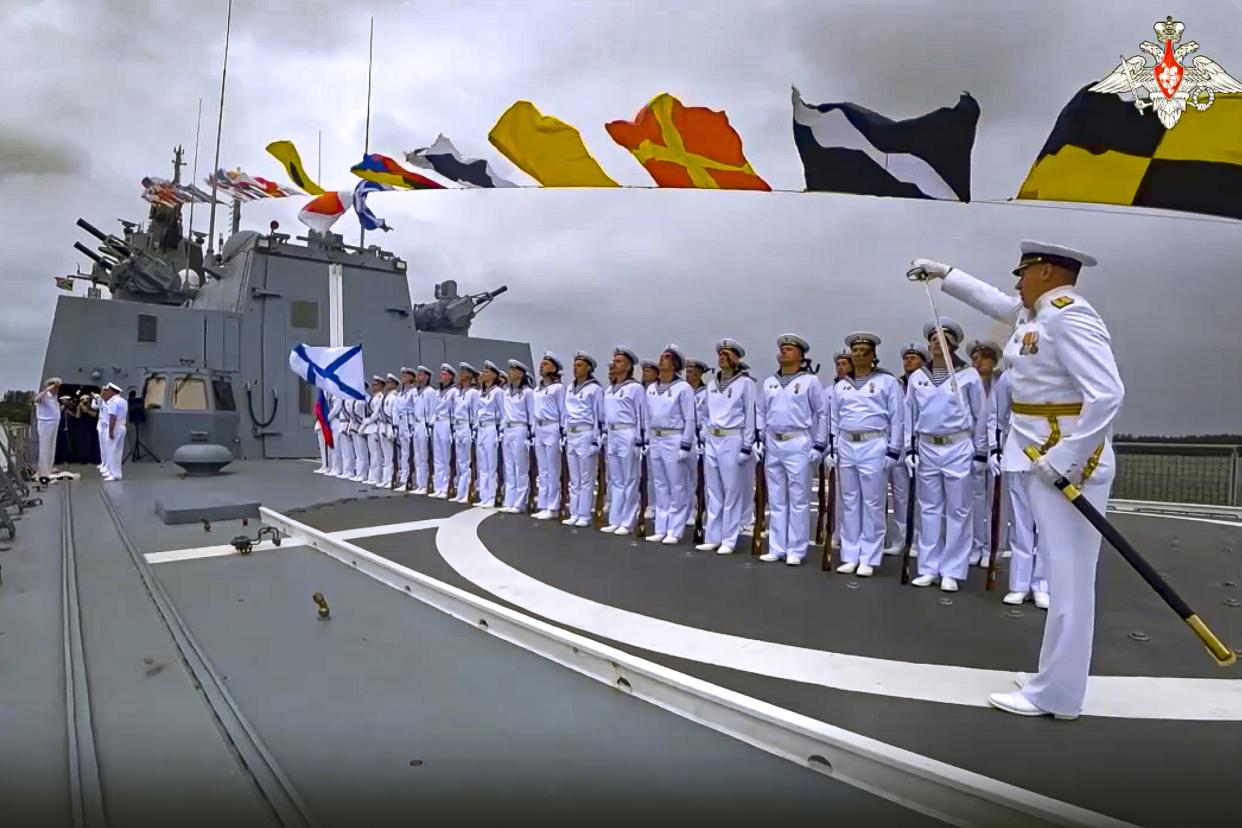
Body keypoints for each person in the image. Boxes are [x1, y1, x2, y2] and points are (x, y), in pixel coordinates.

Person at [911, 240, 1124, 720]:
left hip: (1065, 463)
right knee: (1062, 571)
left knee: (1069, 580)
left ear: (1046, 272)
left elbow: (1107, 394)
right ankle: (1054, 679)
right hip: (1037, 455)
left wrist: (1068, 458)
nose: (1016, 282)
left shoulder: (1069, 315)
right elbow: (995, 300)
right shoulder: (1037, 314)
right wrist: (945, 273)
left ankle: (1058, 695)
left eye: (1022, 272)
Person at [906, 319, 988, 592]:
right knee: (929, 509)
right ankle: (928, 567)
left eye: (942, 340)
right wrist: (910, 448)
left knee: (958, 509)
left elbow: (981, 415)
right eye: (932, 340)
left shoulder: (967, 375)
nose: (936, 345)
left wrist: (980, 452)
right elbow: (910, 415)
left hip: (958, 445)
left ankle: (952, 569)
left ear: (953, 345)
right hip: (928, 445)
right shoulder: (918, 377)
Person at [831, 332, 904, 576]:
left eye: (864, 351)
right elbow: (834, 419)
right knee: (850, 502)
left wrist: (894, 450)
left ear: (873, 355)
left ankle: (869, 557)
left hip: (873, 444)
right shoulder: (841, 386)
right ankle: (850, 554)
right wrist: (833, 448)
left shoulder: (886, 382)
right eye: (855, 350)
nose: (859, 354)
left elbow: (897, 417)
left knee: (872, 502)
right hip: (847, 443)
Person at [755, 334, 828, 565]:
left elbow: (822, 412)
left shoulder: (810, 381)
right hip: (773, 441)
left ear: (800, 355)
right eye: (782, 348)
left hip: (798, 440)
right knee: (776, 498)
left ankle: (796, 549)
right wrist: (759, 438)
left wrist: (819, 443)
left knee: (798, 497)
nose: (784, 351)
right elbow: (761, 412)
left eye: (789, 349)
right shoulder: (769, 382)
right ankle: (777, 547)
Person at [697, 339, 756, 555]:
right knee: (714, 491)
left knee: (732, 491)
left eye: (727, 354)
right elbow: (704, 413)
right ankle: (713, 536)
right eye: (720, 354)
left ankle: (729, 539)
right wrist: (704, 431)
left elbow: (750, 415)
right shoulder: (712, 385)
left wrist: (747, 446)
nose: (723, 357)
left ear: (737, 359)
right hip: (713, 438)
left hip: (733, 438)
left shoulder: (746, 383)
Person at [644, 345, 697, 545]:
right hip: (656, 438)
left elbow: (690, 418)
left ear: (675, 364)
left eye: (667, 357)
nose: (662, 360)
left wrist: (686, 444)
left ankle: (674, 529)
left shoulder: (683, 388)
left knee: (677, 485)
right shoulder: (651, 388)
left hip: (674, 437)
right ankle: (661, 527)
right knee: (660, 485)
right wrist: (649, 440)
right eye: (661, 356)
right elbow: (648, 418)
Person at [884, 344, 927, 555]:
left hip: (921, 444)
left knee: (920, 496)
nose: (908, 361)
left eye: (914, 358)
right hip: (898, 446)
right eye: (907, 358)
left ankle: (919, 540)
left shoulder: (926, 382)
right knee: (900, 496)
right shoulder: (896, 384)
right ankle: (901, 539)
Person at [600, 347, 646, 534]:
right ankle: (615, 518)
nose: (614, 364)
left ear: (628, 366)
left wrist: (640, 440)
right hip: (612, 434)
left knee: (629, 479)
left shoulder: (635, 388)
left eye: (618, 362)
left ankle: (627, 521)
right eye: (614, 361)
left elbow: (642, 416)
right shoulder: (609, 389)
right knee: (616, 479)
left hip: (627, 432)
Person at [968, 340, 1004, 567]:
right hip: (972, 447)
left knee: (997, 502)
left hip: (999, 447)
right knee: (975, 500)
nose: (978, 361)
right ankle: (975, 545)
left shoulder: (1002, 382)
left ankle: (994, 547)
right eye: (974, 358)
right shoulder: (968, 383)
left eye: (983, 357)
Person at [531, 353, 567, 520]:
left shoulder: (558, 388)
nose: (541, 366)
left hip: (552, 427)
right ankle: (543, 504)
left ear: (554, 368)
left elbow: (563, 412)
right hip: (539, 428)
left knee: (553, 470)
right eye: (541, 363)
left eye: (545, 364)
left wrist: (562, 433)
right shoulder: (537, 389)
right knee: (543, 470)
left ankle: (553, 506)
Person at [499, 360, 536, 513]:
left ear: (520, 373)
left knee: (521, 467)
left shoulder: (527, 392)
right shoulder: (505, 392)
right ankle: (509, 500)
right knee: (509, 467)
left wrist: (531, 435)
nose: (509, 372)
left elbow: (532, 414)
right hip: (507, 430)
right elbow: (503, 413)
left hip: (520, 429)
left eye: (513, 370)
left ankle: (519, 502)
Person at [829, 350, 853, 552]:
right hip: (839, 443)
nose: (841, 367)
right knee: (841, 495)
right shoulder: (831, 390)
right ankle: (837, 532)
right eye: (839, 364)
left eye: (845, 363)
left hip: (864, 445)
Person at [476, 361, 505, 507]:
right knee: (482, 464)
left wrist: (501, 431)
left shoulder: (498, 392)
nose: (483, 374)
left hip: (491, 427)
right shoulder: (481, 392)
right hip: (481, 428)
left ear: (494, 375)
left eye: (487, 372)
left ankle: (492, 496)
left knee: (491, 465)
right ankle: (484, 496)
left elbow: (502, 412)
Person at [453, 363, 481, 503]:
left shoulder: (473, 393)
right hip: (458, 428)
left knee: (468, 463)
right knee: (461, 462)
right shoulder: (459, 393)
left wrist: (474, 431)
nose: (460, 374)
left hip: (467, 428)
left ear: (470, 376)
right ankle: (461, 492)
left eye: (464, 373)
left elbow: (476, 413)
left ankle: (468, 492)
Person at [430, 364, 458, 498]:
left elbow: (454, 411)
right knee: (438, 457)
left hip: (447, 423)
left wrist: (453, 429)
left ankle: (447, 487)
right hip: (437, 423)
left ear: (450, 376)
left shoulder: (453, 391)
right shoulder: (437, 392)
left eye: (444, 374)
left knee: (446, 457)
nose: (441, 375)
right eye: (441, 373)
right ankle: (439, 487)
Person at [640, 359, 659, 522]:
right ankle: (651, 505)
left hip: (663, 436)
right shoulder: (642, 390)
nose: (645, 373)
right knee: (652, 475)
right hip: (648, 435)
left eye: (649, 370)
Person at [411, 366, 434, 494]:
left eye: (421, 374)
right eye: (418, 373)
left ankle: (425, 484)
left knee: (424, 456)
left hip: (425, 425)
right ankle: (419, 484)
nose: (418, 376)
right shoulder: (416, 391)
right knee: (417, 456)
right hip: (416, 424)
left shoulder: (430, 391)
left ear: (427, 376)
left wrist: (430, 426)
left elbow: (432, 411)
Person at [34, 377, 62, 477]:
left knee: (51, 447)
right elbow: (36, 399)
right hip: (45, 424)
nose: (57, 390)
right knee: (45, 447)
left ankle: (49, 468)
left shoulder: (54, 397)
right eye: (55, 387)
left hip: (53, 424)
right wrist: (47, 390)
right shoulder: (44, 396)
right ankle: (43, 471)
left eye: (57, 388)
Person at [396, 368, 419, 489]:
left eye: (405, 375)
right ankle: (405, 478)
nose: (403, 376)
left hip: (409, 422)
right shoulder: (401, 392)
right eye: (402, 375)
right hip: (401, 422)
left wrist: (414, 425)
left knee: (411, 453)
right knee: (404, 453)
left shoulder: (413, 391)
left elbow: (416, 408)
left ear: (411, 378)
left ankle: (413, 479)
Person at [377, 374, 399, 488]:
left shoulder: (394, 397)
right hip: (383, 426)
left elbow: (395, 414)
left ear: (395, 384)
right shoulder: (385, 396)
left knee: (391, 456)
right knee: (386, 455)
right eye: (387, 382)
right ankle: (386, 478)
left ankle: (391, 478)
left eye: (389, 382)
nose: (387, 384)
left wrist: (394, 429)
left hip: (390, 426)